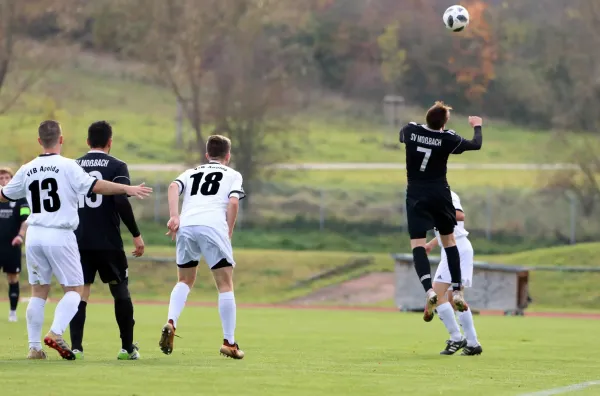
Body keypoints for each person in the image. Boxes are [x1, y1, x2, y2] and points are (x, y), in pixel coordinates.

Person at [0, 120, 152, 360]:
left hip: (35, 234)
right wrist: (126, 189)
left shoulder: (27, 168)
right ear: (61, 139)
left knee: (38, 291)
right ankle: (56, 333)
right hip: (60, 233)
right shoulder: (68, 166)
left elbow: (4, 194)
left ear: (39, 141)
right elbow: (96, 185)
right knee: (75, 290)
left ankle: (34, 348)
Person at [159, 135, 245, 359]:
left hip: (186, 226)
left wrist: (174, 216)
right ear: (228, 156)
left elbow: (172, 187)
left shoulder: (191, 172)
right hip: (213, 226)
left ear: (207, 155)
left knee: (184, 280)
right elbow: (234, 202)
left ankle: (171, 321)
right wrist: (229, 229)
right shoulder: (233, 174)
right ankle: (229, 343)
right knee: (225, 285)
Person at [399, 101, 482, 321]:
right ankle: (456, 291)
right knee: (449, 242)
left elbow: (404, 134)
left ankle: (429, 290)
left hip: (416, 195)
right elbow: (476, 144)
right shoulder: (448, 139)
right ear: (444, 123)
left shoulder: (410, 130)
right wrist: (477, 126)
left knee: (417, 244)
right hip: (440, 194)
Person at [69, 121, 145, 360]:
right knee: (119, 289)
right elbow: (122, 200)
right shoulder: (117, 165)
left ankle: (76, 348)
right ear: (110, 142)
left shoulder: (73, 166)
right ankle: (127, 348)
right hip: (108, 242)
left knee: (80, 293)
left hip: (78, 240)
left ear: (87, 142)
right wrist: (136, 234)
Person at [425, 190, 482, 356]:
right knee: (452, 299)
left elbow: (459, 216)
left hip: (458, 248)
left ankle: (457, 338)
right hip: (451, 248)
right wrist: (431, 244)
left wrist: (434, 214)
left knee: (437, 295)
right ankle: (472, 343)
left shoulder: (445, 193)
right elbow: (447, 230)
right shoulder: (431, 194)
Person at [0, 167, 30, 322]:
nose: (4, 181)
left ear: (12, 179)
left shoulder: (19, 198)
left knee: (13, 278)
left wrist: (20, 236)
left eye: (6, 177)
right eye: (1, 178)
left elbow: (26, 219)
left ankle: (12, 312)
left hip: (12, 245)